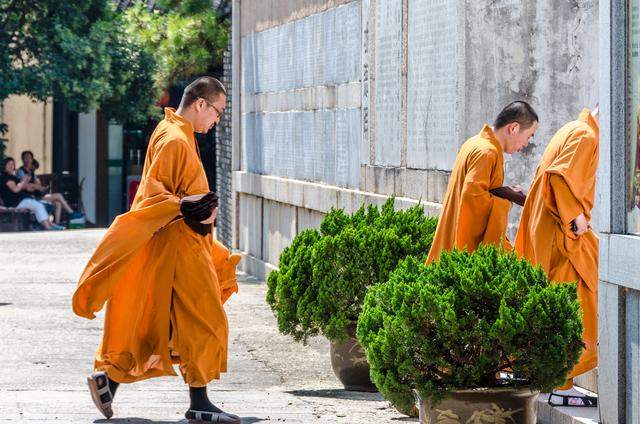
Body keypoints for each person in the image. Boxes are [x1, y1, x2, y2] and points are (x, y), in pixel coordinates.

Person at [72, 77, 242, 423]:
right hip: (179, 247)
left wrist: (193, 207)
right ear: (200, 105)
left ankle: (110, 382)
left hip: (185, 243)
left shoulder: (173, 131)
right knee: (205, 321)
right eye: (218, 112)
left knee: (158, 323)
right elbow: (153, 195)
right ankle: (199, 403)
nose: (217, 122)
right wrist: (190, 206)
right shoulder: (175, 139)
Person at [515, 107, 599, 407]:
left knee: (559, 300)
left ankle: (555, 380)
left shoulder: (573, 128)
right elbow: (559, 178)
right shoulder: (586, 135)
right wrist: (576, 218)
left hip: (548, 228)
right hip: (561, 232)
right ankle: (561, 382)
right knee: (576, 299)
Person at [426, 101, 538, 264]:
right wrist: (507, 200)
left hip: (452, 236)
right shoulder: (487, 152)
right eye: (528, 136)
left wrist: (503, 191)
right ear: (513, 128)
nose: (526, 144)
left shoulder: (473, 143)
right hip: (466, 248)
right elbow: (472, 200)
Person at [17, 151, 83, 224]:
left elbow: (39, 186)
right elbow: (26, 186)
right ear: (23, 159)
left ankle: (57, 224)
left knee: (58, 203)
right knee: (58, 195)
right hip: (30, 198)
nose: (28, 159)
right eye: (26, 158)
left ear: (32, 159)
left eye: (29, 158)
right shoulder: (20, 171)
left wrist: (35, 186)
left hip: (38, 196)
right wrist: (35, 186)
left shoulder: (32, 173)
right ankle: (71, 213)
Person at [0, 157, 63, 230]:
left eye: (13, 164)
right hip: (15, 202)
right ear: (4, 166)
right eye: (9, 164)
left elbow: (23, 187)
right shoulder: (5, 177)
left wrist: (26, 180)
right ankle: (48, 226)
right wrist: (23, 181)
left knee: (42, 205)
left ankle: (50, 225)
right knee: (38, 206)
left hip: (21, 200)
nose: (11, 166)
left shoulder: (12, 177)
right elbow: (16, 189)